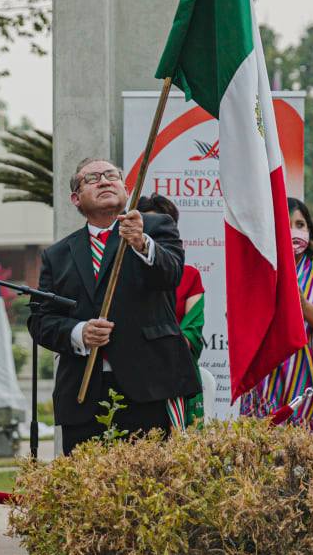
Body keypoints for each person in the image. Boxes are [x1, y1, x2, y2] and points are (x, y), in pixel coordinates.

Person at [29, 157, 195, 454]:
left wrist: (142, 243)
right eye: (92, 179)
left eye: (111, 175)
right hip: (83, 394)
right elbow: (40, 321)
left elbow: (171, 274)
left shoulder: (155, 227)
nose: (104, 181)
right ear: (76, 198)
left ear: (125, 188)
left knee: (154, 487)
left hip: (150, 387)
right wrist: (79, 332)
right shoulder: (57, 255)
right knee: (87, 490)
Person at [239, 196, 313, 427]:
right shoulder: (261, 270)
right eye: (286, 224)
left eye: (300, 225)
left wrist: (303, 305)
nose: (293, 231)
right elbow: (242, 322)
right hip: (266, 379)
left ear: (310, 231)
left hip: (308, 377)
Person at [138, 194, 206, 420]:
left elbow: (192, 333)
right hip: (132, 375)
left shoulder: (190, 276)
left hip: (175, 372)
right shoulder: (121, 274)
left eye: (161, 229)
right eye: (146, 228)